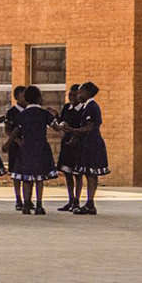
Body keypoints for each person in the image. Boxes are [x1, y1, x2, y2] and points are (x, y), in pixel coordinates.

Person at [11, 85, 56, 214]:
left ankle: (26, 205)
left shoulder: (22, 115)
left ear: (26, 99)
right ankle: (39, 205)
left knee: (26, 177)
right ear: (39, 98)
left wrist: (9, 143)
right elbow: (56, 127)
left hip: (26, 147)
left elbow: (16, 131)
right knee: (39, 177)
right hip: (41, 147)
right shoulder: (45, 114)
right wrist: (58, 119)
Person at [66, 82, 109, 215]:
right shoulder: (87, 106)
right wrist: (75, 138)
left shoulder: (91, 106)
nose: (78, 95)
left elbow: (90, 127)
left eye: (81, 92)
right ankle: (90, 203)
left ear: (88, 93)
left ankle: (90, 203)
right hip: (88, 142)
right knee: (89, 173)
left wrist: (73, 130)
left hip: (92, 143)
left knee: (91, 173)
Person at [54, 84, 83, 212]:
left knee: (77, 173)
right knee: (67, 173)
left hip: (78, 143)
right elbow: (62, 122)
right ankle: (70, 199)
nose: (71, 98)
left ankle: (77, 200)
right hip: (66, 142)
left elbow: (83, 126)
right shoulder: (67, 107)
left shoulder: (83, 109)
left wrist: (75, 135)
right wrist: (56, 116)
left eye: (74, 95)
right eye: (70, 95)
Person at [3, 85, 29, 212]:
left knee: (28, 173)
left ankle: (28, 199)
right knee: (16, 173)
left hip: (28, 145)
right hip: (16, 146)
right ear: (18, 96)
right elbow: (8, 130)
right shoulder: (12, 112)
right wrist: (17, 140)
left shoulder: (30, 110)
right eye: (24, 94)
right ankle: (18, 199)